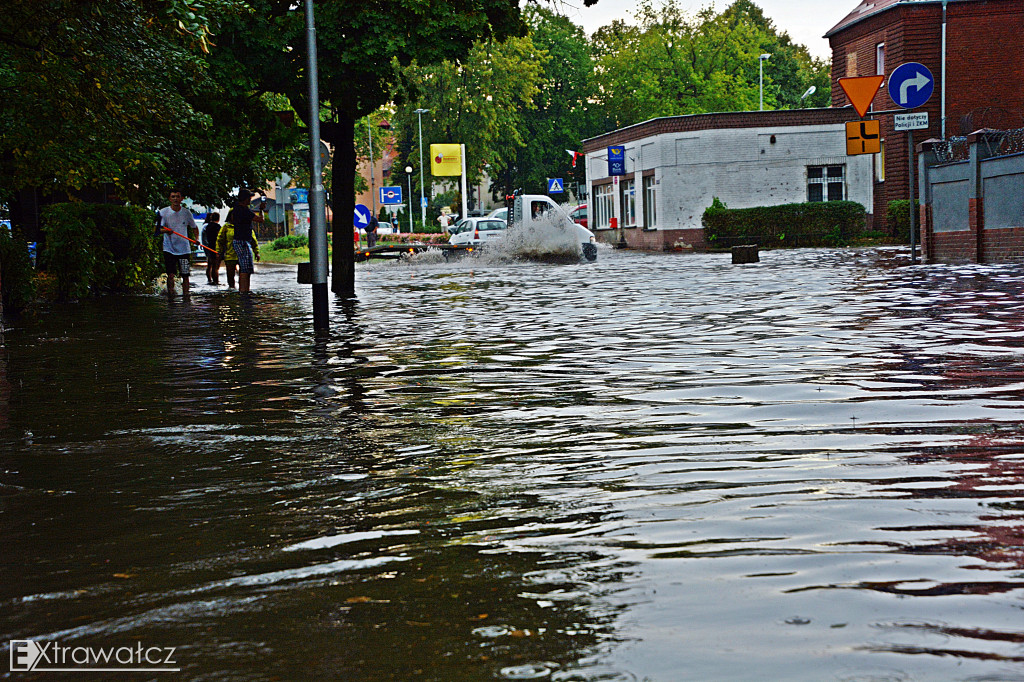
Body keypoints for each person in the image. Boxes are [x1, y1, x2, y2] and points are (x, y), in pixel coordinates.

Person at [156, 188, 199, 298]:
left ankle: (186, 296)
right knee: (170, 274)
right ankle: (171, 295)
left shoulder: (186, 213)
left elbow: (194, 228)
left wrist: (196, 239)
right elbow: (157, 229)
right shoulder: (163, 212)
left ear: (182, 199)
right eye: (173, 197)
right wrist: (167, 230)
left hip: (184, 249)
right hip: (169, 248)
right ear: (169, 199)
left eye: (178, 196)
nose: (175, 199)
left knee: (185, 274)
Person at [225, 190, 263, 294]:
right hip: (243, 241)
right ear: (245, 199)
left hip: (240, 241)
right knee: (246, 269)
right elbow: (260, 219)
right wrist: (261, 210)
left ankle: (244, 290)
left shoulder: (236, 208)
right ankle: (244, 290)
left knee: (245, 267)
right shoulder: (244, 210)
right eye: (249, 199)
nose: (250, 201)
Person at [216, 219, 260, 290]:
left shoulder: (245, 226)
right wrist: (218, 251)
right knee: (230, 276)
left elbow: (253, 240)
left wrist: (256, 252)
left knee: (243, 274)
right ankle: (231, 290)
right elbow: (220, 240)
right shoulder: (226, 227)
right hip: (230, 255)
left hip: (243, 254)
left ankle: (242, 290)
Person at [202, 212, 221, 285]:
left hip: (209, 247)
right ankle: (216, 282)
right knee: (216, 267)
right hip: (215, 248)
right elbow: (220, 238)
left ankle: (210, 280)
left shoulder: (207, 226)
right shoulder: (218, 227)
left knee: (210, 265)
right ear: (218, 219)